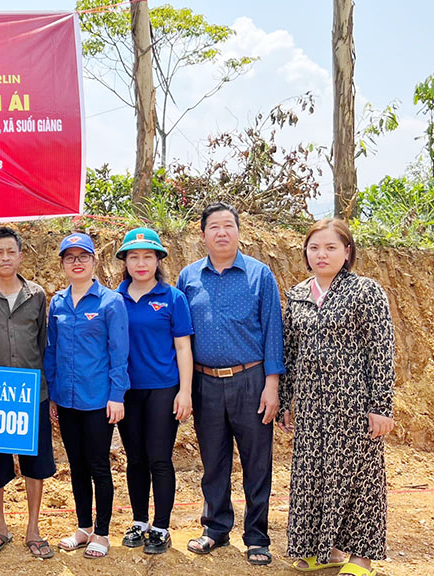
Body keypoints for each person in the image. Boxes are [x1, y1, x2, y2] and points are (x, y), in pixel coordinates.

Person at [278, 218, 395, 576]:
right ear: (306, 253)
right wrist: (285, 401)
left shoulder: (365, 292)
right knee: (312, 473)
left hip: (354, 404)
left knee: (360, 477)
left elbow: (381, 351)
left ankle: (361, 556)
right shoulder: (297, 294)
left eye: (331, 247)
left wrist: (381, 407)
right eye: (314, 248)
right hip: (312, 406)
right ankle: (321, 549)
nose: (321, 254)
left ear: (347, 252)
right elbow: (290, 353)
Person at [176, 203, 284, 566]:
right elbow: (181, 338)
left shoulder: (260, 275)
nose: (222, 233)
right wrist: (185, 388)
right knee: (214, 460)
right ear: (203, 234)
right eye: (214, 227)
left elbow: (273, 332)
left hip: (251, 381)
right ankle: (216, 528)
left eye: (228, 226)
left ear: (239, 231)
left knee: (257, 462)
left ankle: (257, 537)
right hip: (206, 383)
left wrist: (272, 385)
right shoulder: (188, 277)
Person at [0, 226, 56, 559]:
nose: (5, 257)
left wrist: (49, 393)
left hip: (33, 395)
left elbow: (43, 344)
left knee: (36, 464)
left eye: (11, 251)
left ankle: (33, 529)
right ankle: (0, 527)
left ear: (20, 255)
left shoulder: (37, 295)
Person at [44, 233, 128, 559]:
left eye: (83, 256)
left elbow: (119, 353)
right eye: (70, 257)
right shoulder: (58, 303)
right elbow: (52, 351)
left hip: (98, 400)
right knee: (76, 466)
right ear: (63, 264)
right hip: (66, 399)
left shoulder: (110, 302)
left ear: (94, 260)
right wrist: (52, 394)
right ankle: (83, 527)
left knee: (98, 465)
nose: (76, 262)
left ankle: (103, 532)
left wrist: (117, 395)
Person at [114, 227, 194, 554]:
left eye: (148, 256)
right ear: (125, 261)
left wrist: (185, 391)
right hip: (127, 391)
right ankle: (139, 521)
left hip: (163, 389)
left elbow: (184, 348)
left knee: (159, 458)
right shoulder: (113, 298)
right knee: (135, 459)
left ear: (158, 259)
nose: (141, 263)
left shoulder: (173, 298)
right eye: (134, 257)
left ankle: (161, 526)